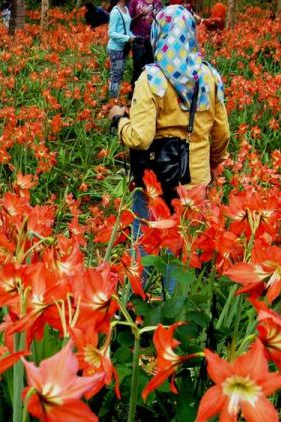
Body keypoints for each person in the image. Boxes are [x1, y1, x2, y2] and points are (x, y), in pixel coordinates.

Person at [108, 5, 230, 295]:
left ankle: (134, 305)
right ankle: (173, 319)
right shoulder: (209, 77)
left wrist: (119, 119)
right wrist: (211, 165)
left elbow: (139, 137)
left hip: (154, 179)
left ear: (157, 34)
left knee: (144, 242)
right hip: (195, 181)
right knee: (182, 248)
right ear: (191, 34)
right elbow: (222, 133)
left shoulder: (151, 79)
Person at [128, 0, 163, 92]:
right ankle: (133, 95)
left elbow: (163, 22)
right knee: (138, 69)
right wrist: (140, 15)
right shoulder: (135, 2)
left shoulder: (158, 3)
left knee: (152, 69)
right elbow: (128, 22)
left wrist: (154, 21)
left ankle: (147, 94)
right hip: (138, 41)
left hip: (153, 41)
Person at [107, 0, 134, 99]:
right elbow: (111, 33)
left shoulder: (126, 8)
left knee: (119, 73)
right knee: (116, 75)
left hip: (123, 48)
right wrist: (127, 38)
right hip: (115, 49)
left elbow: (126, 30)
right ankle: (113, 101)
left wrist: (134, 38)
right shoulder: (115, 11)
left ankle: (114, 98)